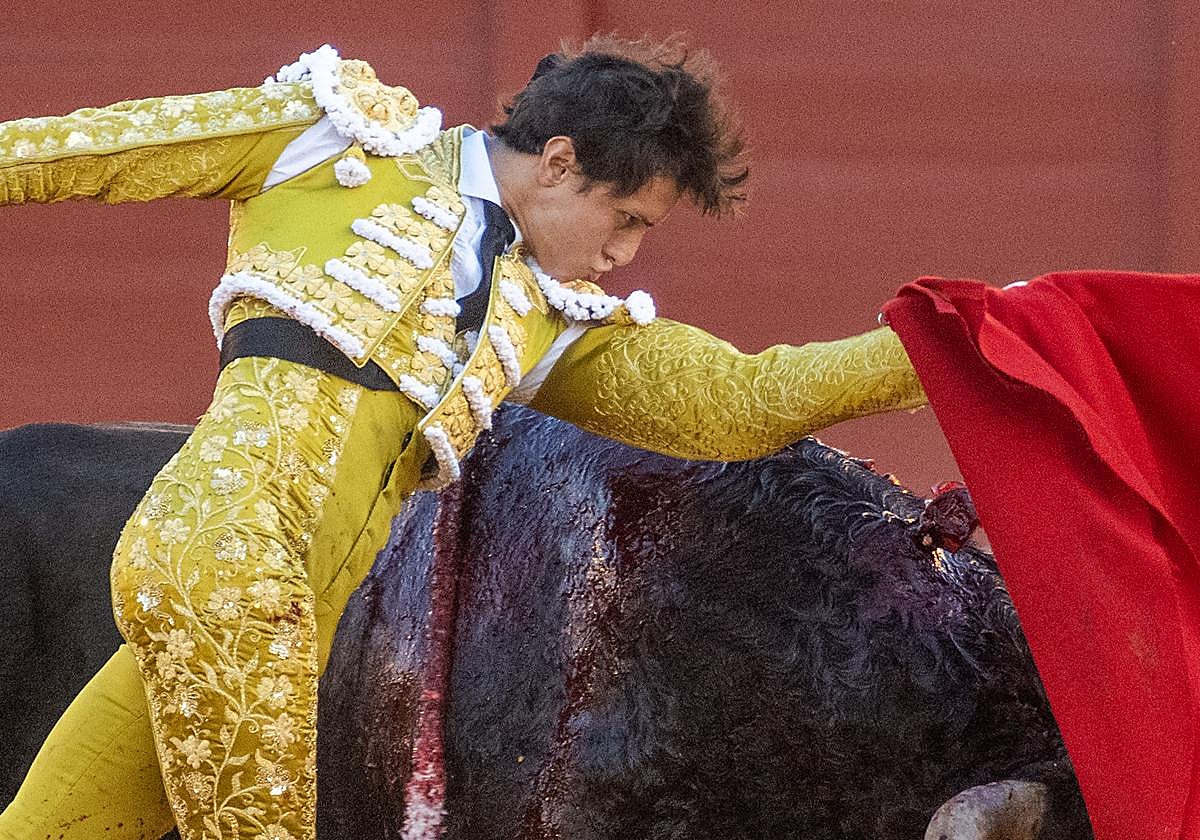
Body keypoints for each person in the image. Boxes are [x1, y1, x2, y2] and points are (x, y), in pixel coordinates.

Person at [0, 36, 924, 840]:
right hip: (228, 570)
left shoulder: (535, 316)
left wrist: (968, 345)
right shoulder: (331, 141)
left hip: (286, 619)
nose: (624, 255)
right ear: (559, 162)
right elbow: (66, 154)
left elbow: (737, 401)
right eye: (629, 218)